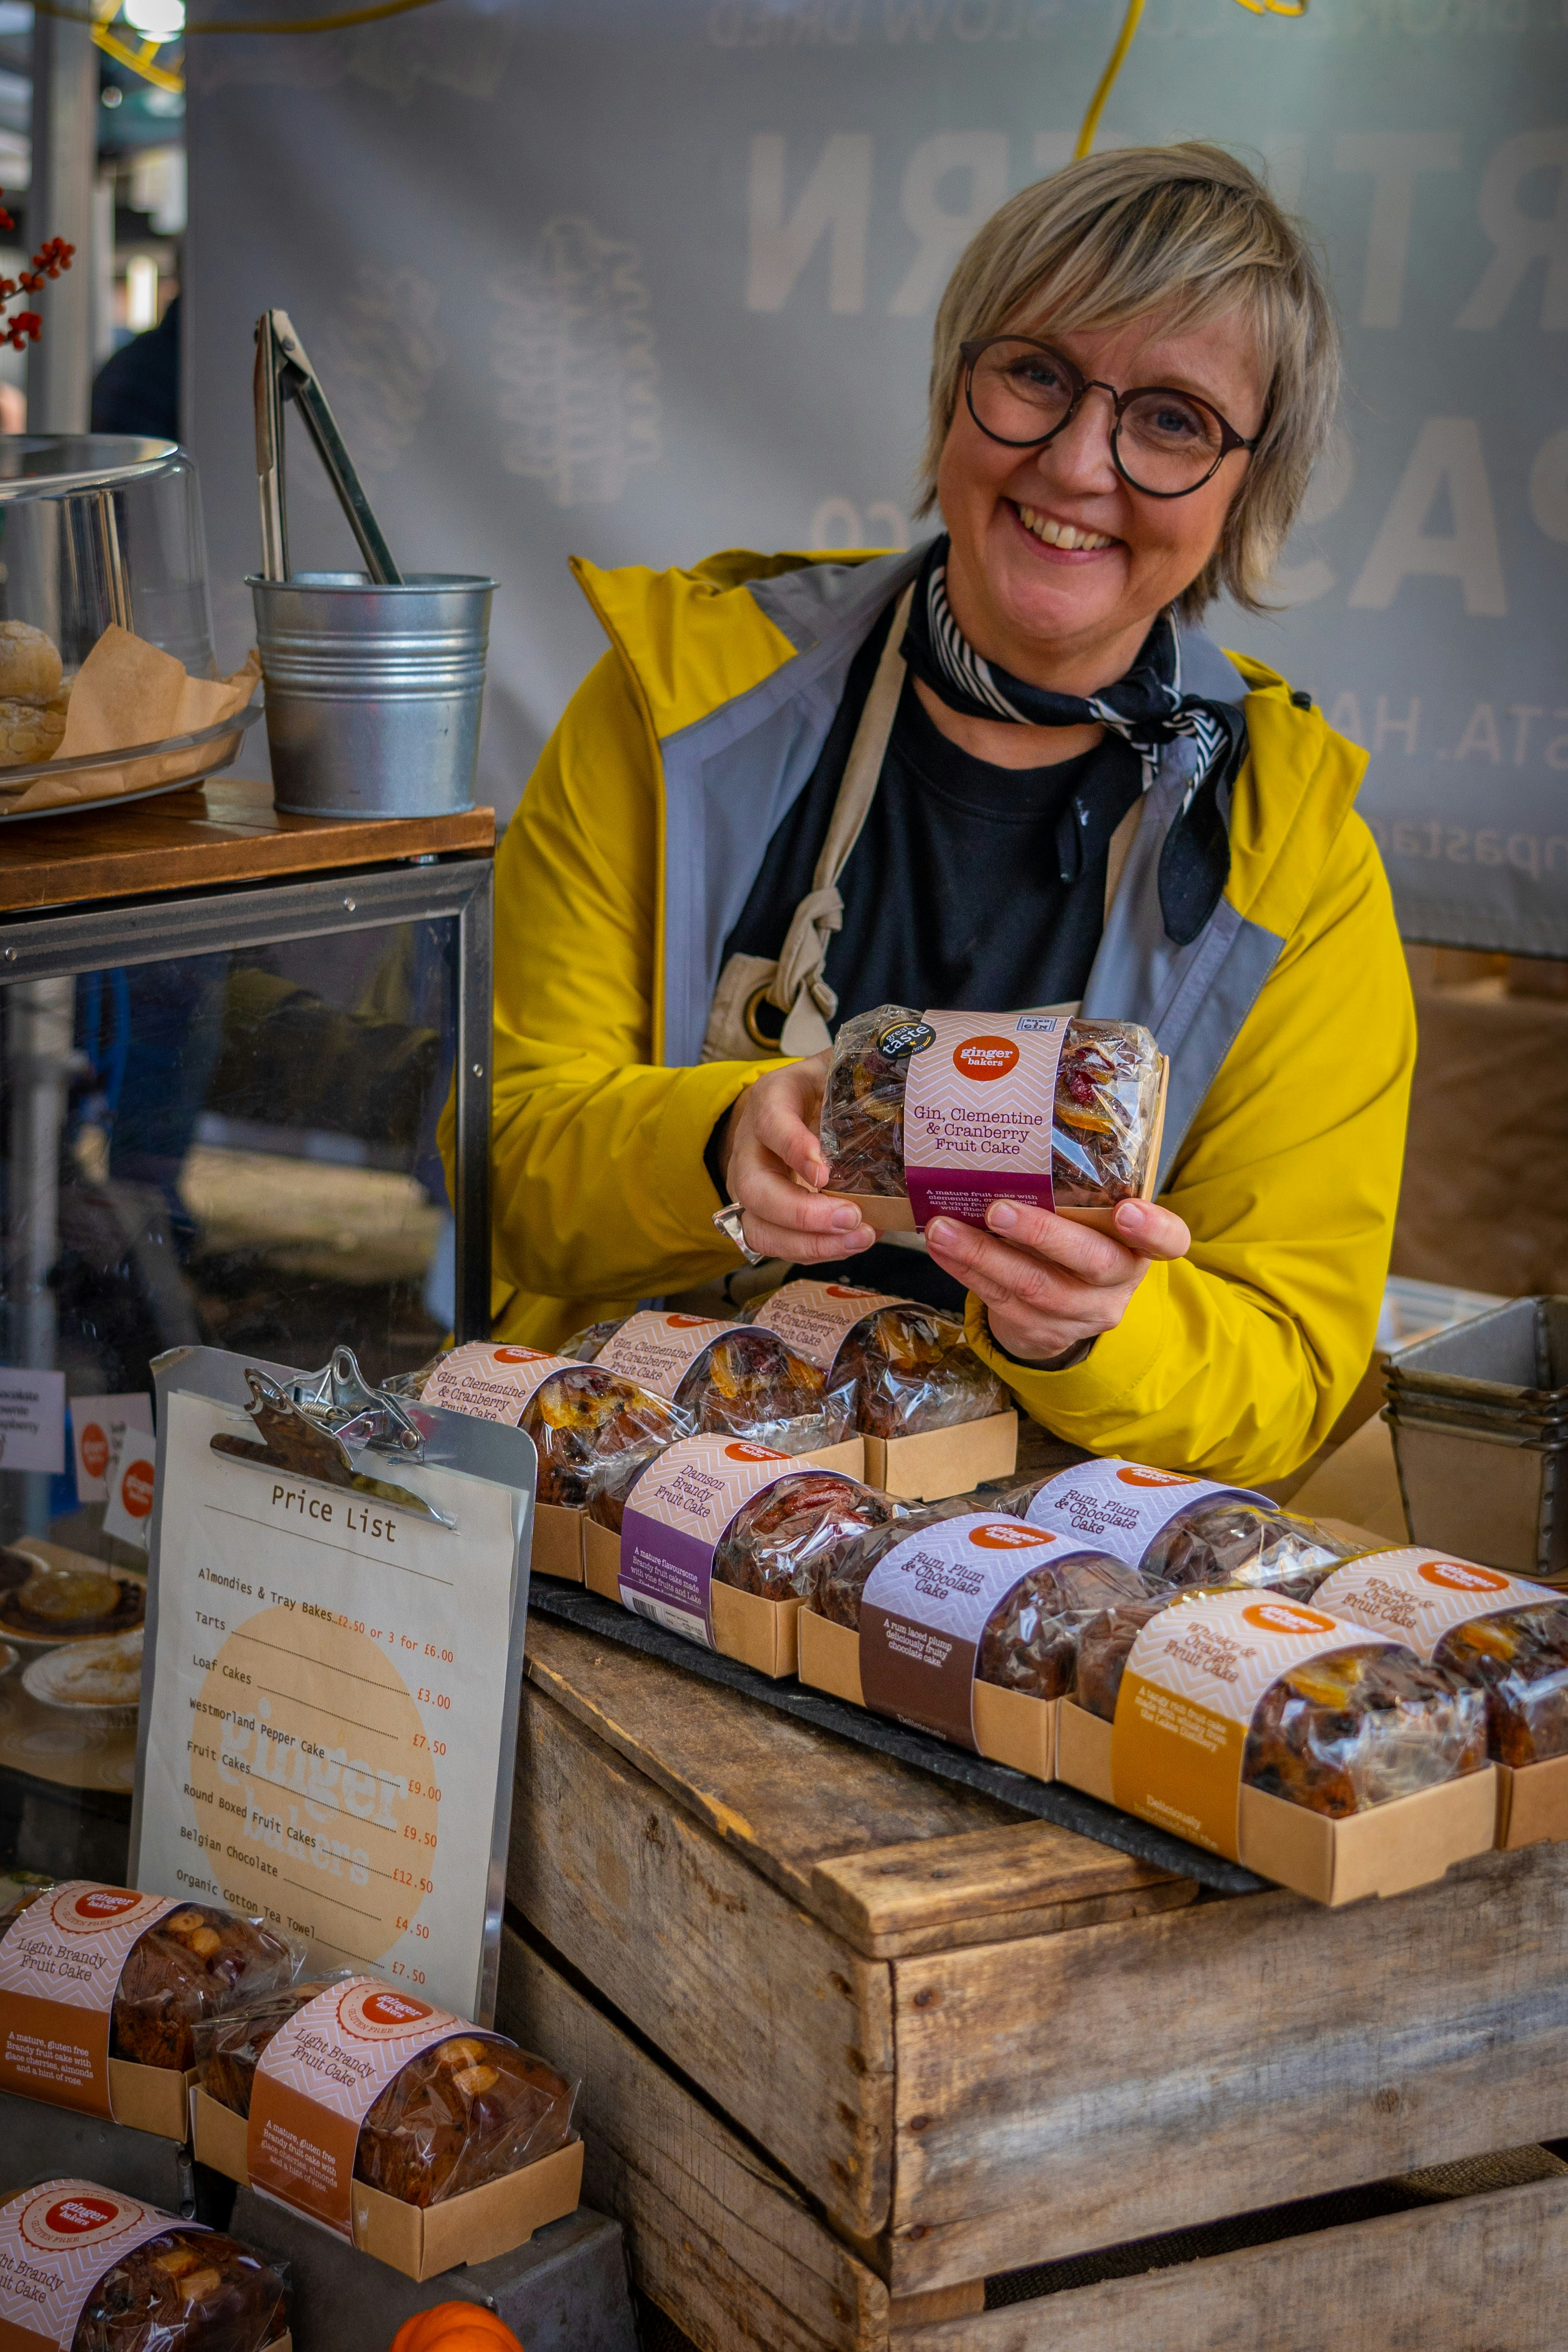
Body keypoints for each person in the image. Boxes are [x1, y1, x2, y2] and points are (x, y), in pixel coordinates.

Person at [460, 143, 1413, 1484]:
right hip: (643, 1488)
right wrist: (713, 1145)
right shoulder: (676, 714)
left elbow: (1291, 1368)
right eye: (1037, 374)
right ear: (953, 390)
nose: (1077, 464)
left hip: (1027, 1550)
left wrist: (1103, 1327)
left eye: (1171, 421)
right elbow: (490, 1161)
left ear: (1248, 489)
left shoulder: (1294, 859)